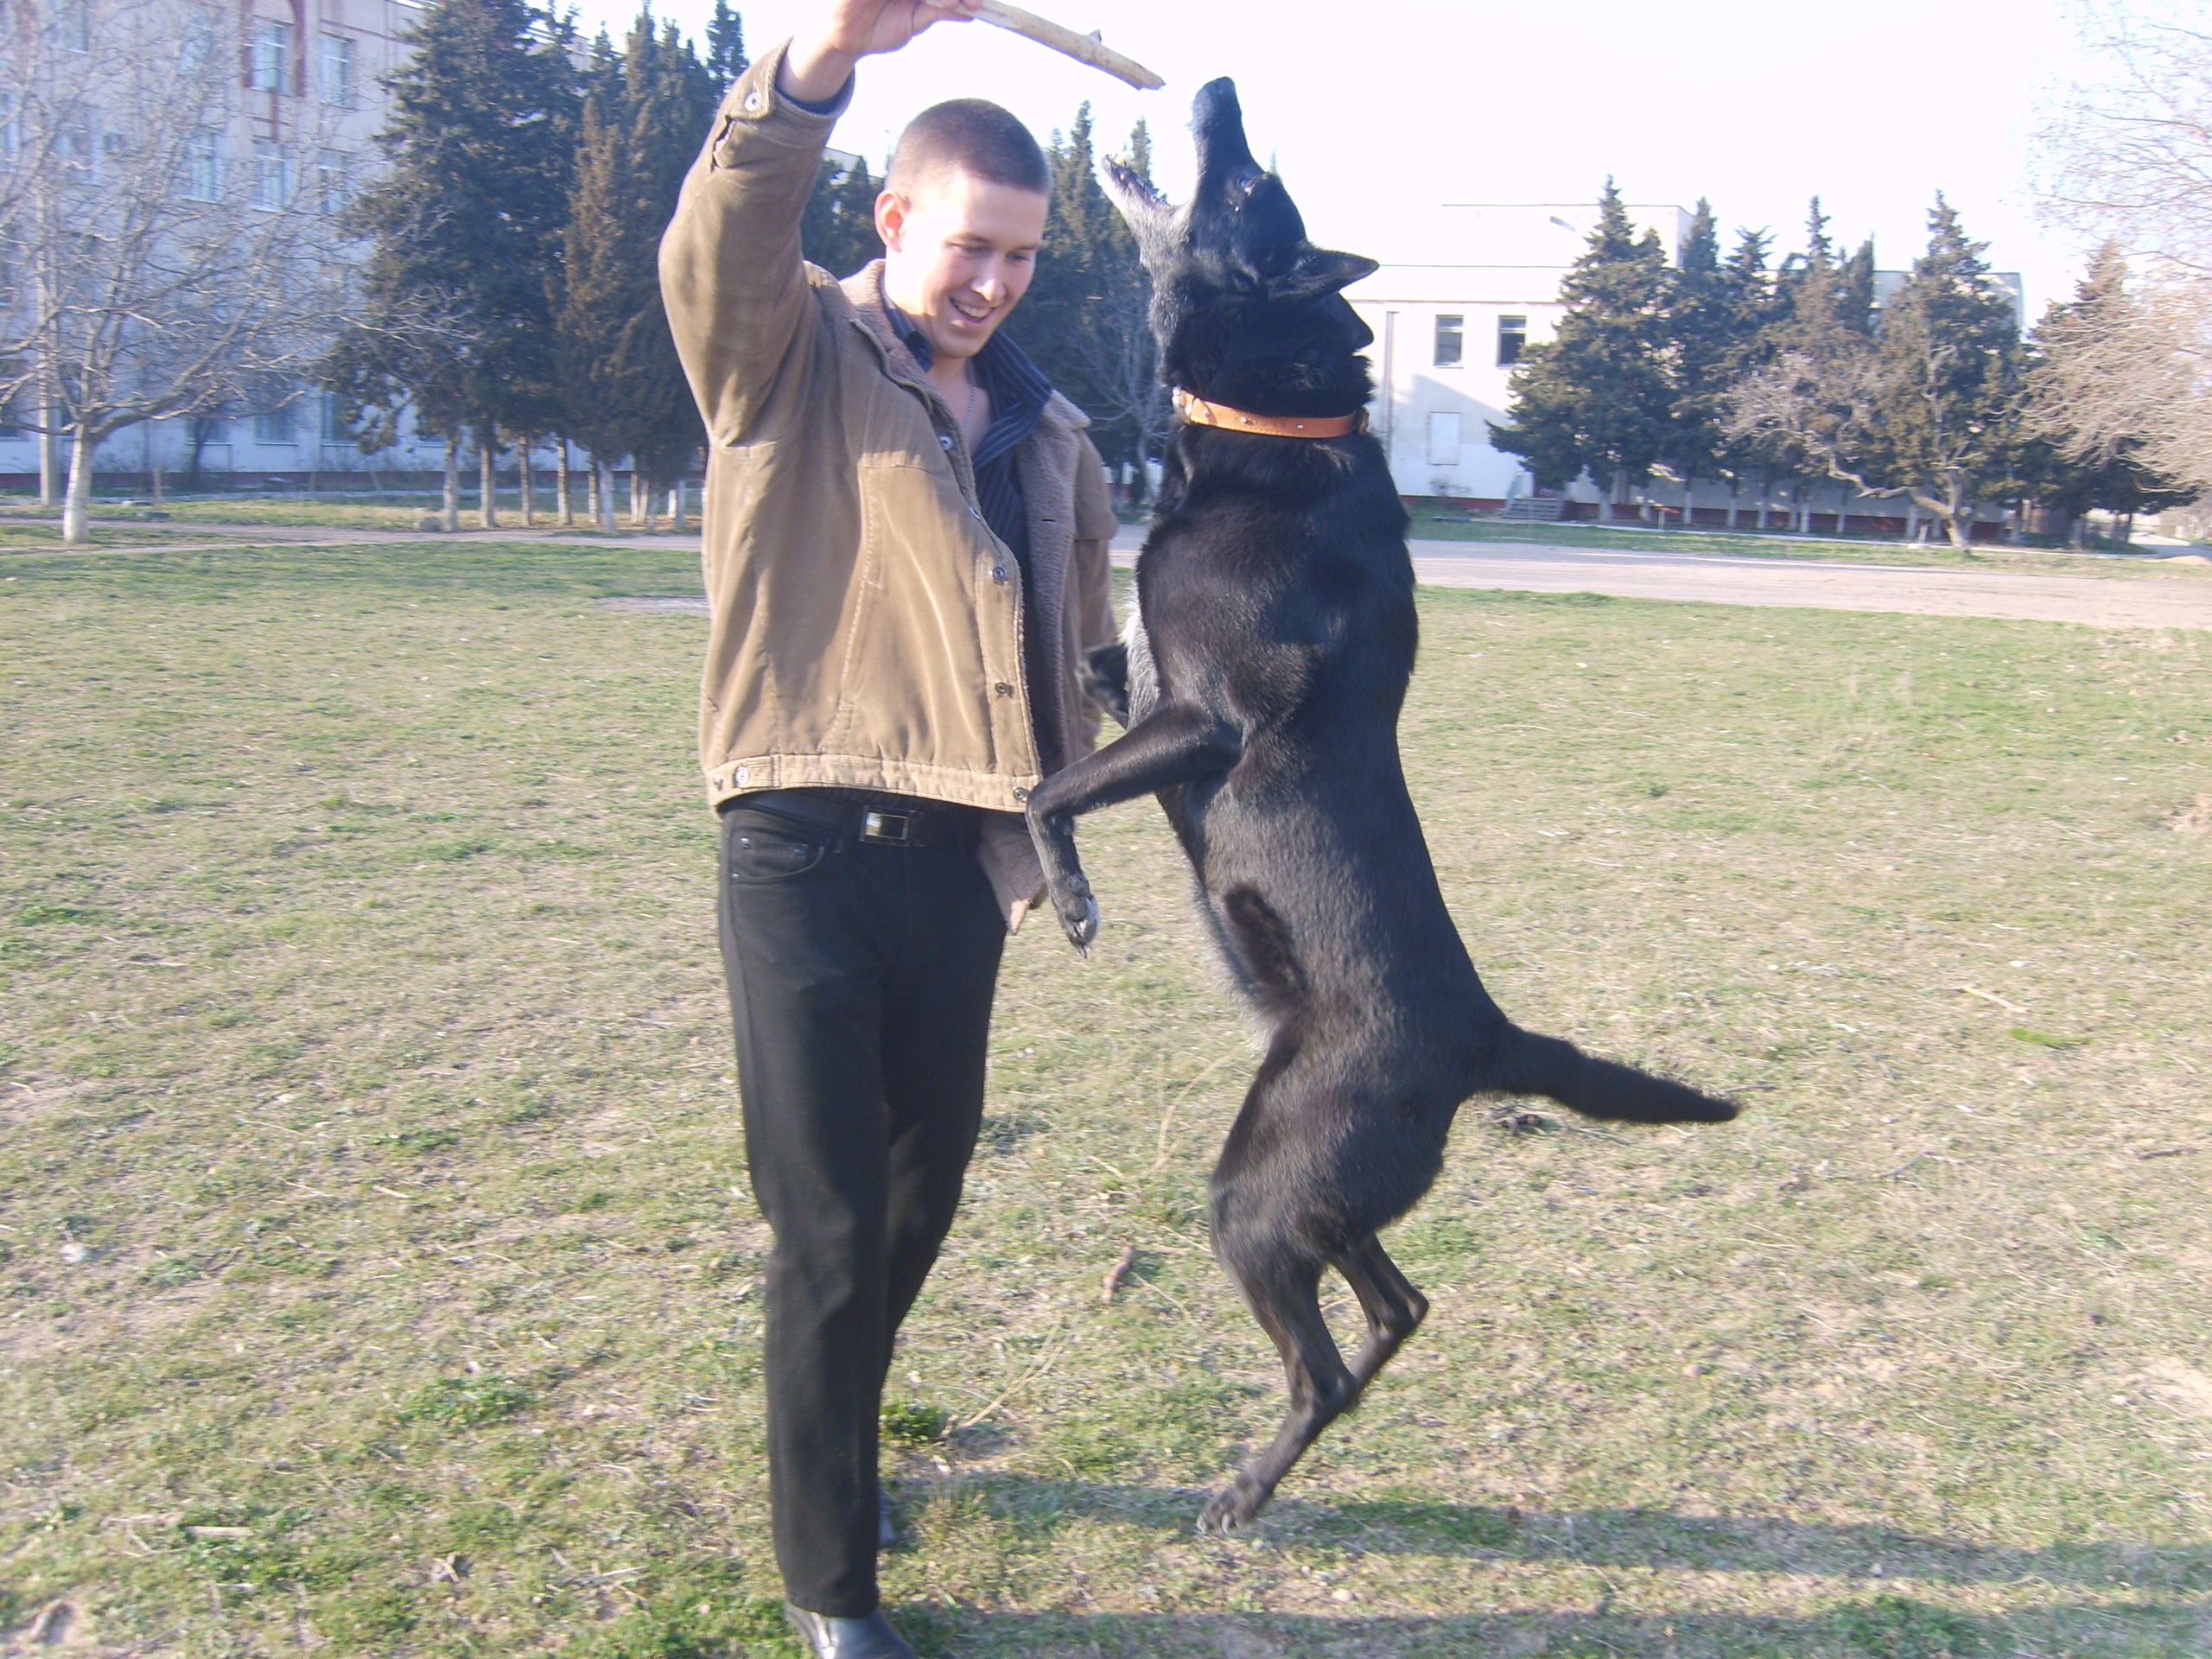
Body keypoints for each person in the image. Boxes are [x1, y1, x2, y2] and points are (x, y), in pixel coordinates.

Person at [658, 3, 1119, 1654]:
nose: (993, 281)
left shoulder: (1051, 429)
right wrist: (813, 66)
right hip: (799, 843)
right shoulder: (786, 353)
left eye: (1023, 255)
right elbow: (725, 235)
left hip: (965, 862)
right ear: (894, 217)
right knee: (834, 1225)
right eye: (969, 245)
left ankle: (833, 1444)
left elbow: (1081, 640)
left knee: (918, 1202)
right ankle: (832, 1588)